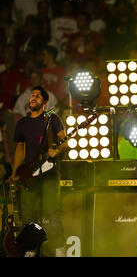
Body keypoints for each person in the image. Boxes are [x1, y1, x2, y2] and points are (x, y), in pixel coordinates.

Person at [12, 86, 67, 256]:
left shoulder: (52, 119)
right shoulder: (22, 123)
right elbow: (20, 149)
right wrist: (15, 172)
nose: (33, 98)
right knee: (28, 215)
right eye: (31, 95)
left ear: (45, 101)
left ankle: (59, 250)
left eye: (37, 96)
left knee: (51, 212)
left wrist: (56, 150)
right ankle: (30, 250)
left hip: (49, 172)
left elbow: (64, 142)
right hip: (29, 175)